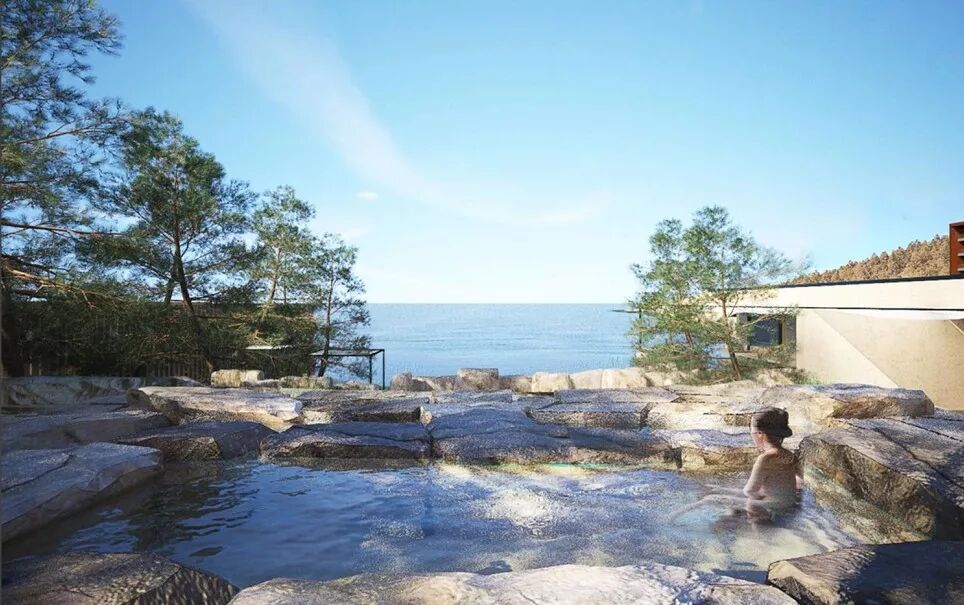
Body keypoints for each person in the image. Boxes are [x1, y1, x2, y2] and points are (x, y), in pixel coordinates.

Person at [671, 407, 802, 523]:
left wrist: (727, 495)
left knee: (712, 498)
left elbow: (749, 491)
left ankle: (671, 520)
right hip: (788, 505)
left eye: (751, 431)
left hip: (771, 507)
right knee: (719, 493)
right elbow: (799, 482)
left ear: (760, 434)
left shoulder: (765, 458)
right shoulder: (792, 456)